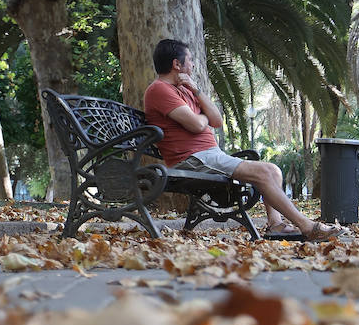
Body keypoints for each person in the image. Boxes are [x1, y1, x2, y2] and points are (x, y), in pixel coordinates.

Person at [143, 39, 339, 241]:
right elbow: (197, 125)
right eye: (190, 60)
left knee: (273, 170)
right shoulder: (159, 90)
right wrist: (202, 118)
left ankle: (276, 225)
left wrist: (196, 91)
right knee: (263, 172)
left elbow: (216, 121)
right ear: (177, 64)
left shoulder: (186, 89)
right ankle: (308, 226)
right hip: (192, 159)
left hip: (207, 156)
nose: (192, 64)